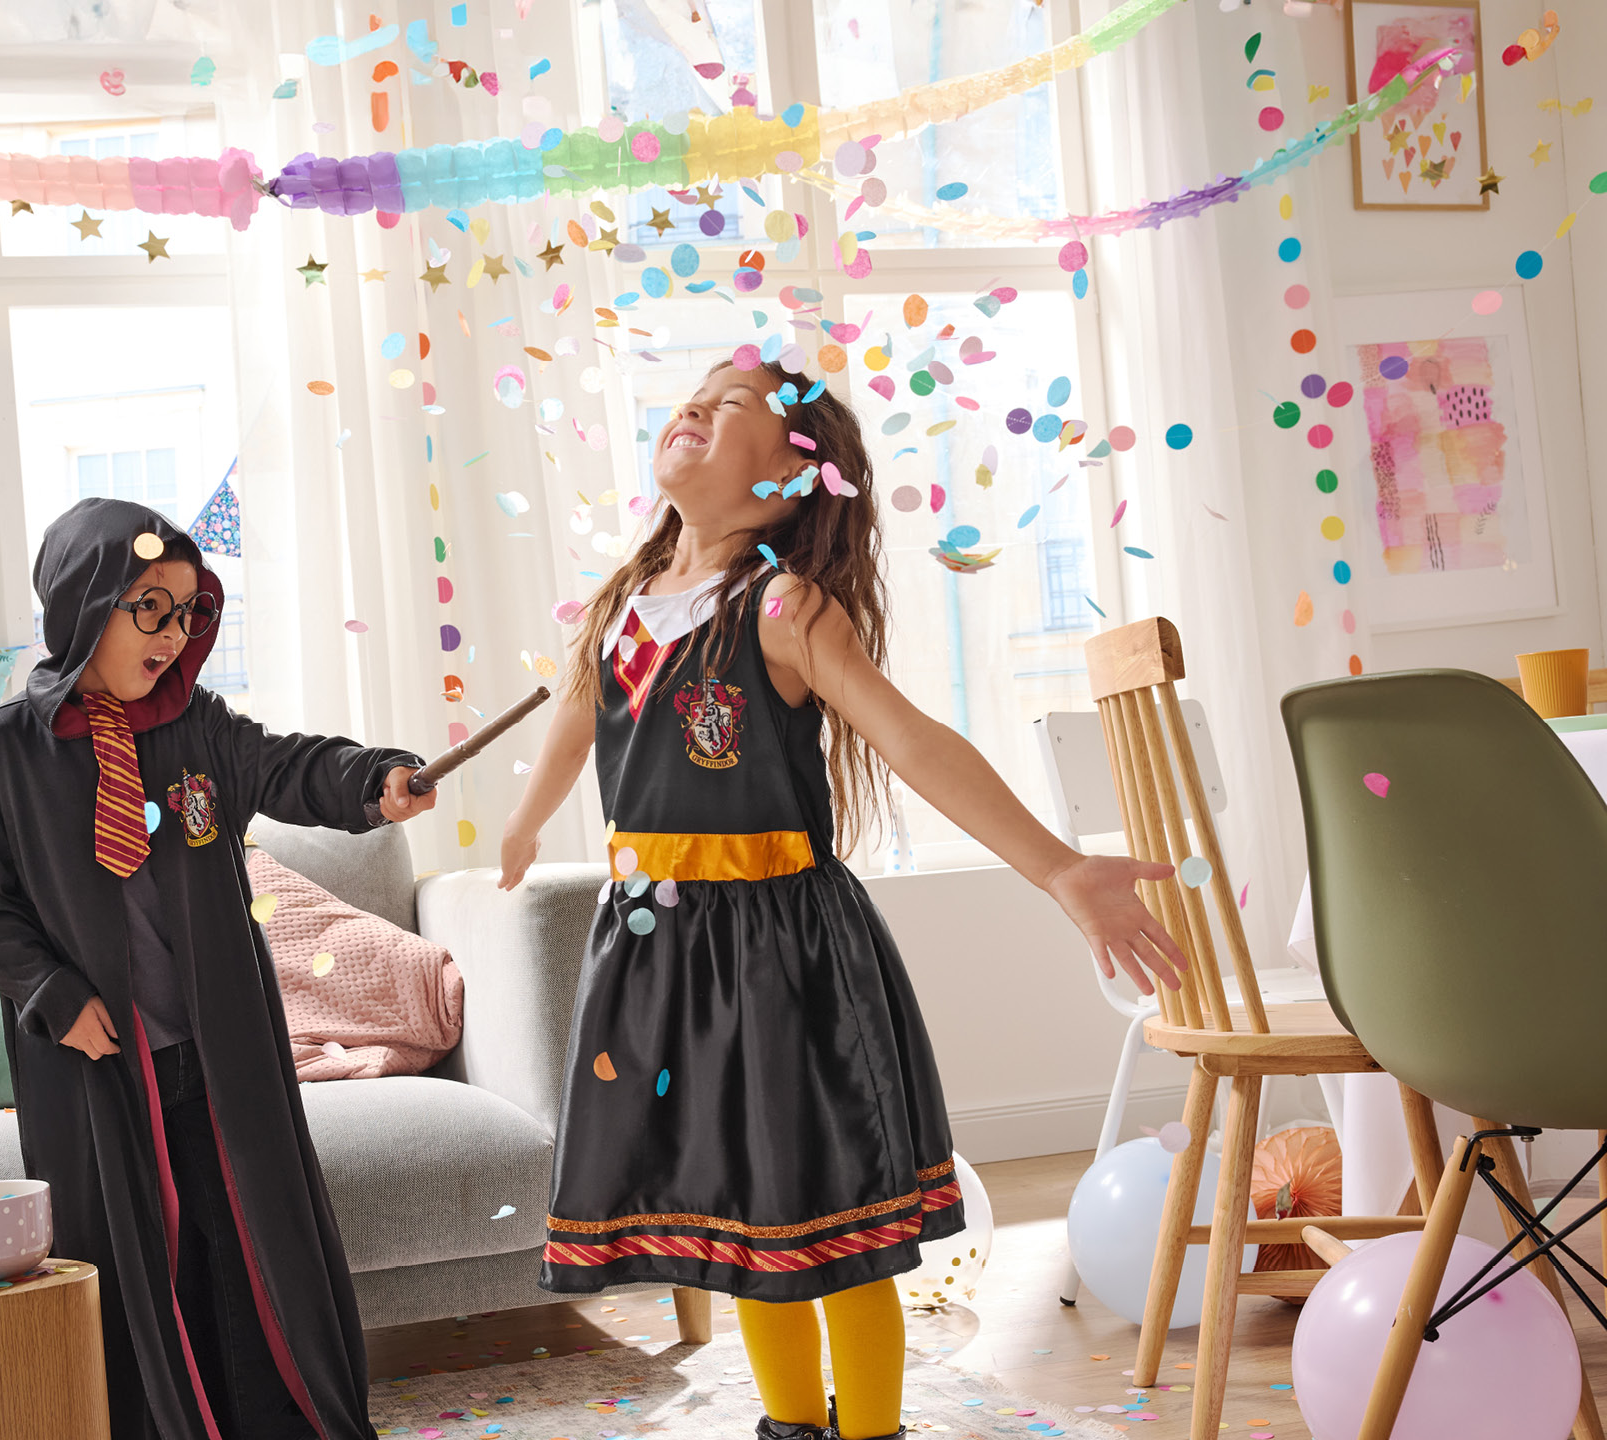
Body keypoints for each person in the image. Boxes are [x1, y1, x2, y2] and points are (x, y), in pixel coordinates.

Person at [498, 360, 1187, 1440]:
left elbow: (911, 739)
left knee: (828, 1224)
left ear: (785, 482)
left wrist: (1059, 869)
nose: (697, 404)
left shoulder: (784, 606)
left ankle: (868, 1432)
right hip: (656, 951)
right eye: (699, 391)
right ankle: (792, 1428)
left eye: (731, 408)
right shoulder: (626, 603)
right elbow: (578, 717)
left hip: (781, 952)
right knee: (743, 1226)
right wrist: (528, 818)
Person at [0, 497, 435, 1440]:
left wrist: (375, 779)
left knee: (247, 1244)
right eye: (150, 609)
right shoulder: (2, 749)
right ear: (83, 604)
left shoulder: (197, 728)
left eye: (186, 612)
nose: (173, 634)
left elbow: (292, 766)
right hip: (96, 1060)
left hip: (220, 1052)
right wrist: (53, 994)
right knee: (140, 1257)